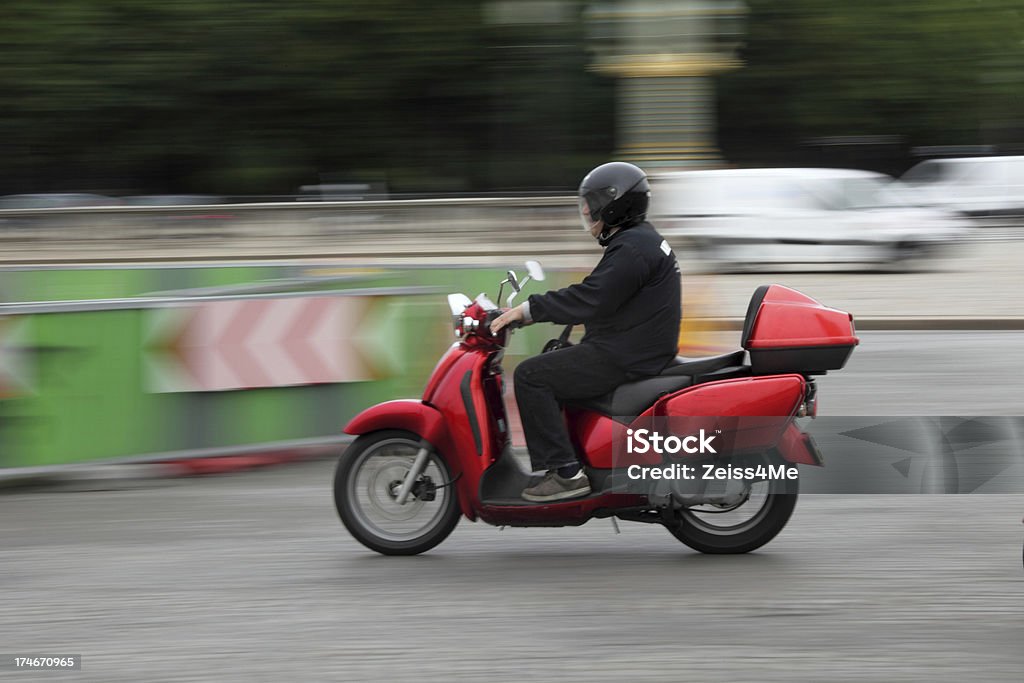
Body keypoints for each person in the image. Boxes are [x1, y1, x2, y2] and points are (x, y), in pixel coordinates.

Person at [491, 161, 682, 502]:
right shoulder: (638, 240)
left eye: (592, 203)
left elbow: (592, 297)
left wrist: (528, 311)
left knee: (532, 375)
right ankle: (582, 458)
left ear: (616, 204)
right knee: (557, 361)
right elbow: (603, 295)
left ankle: (566, 473)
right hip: (633, 346)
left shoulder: (633, 248)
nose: (586, 210)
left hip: (625, 354)